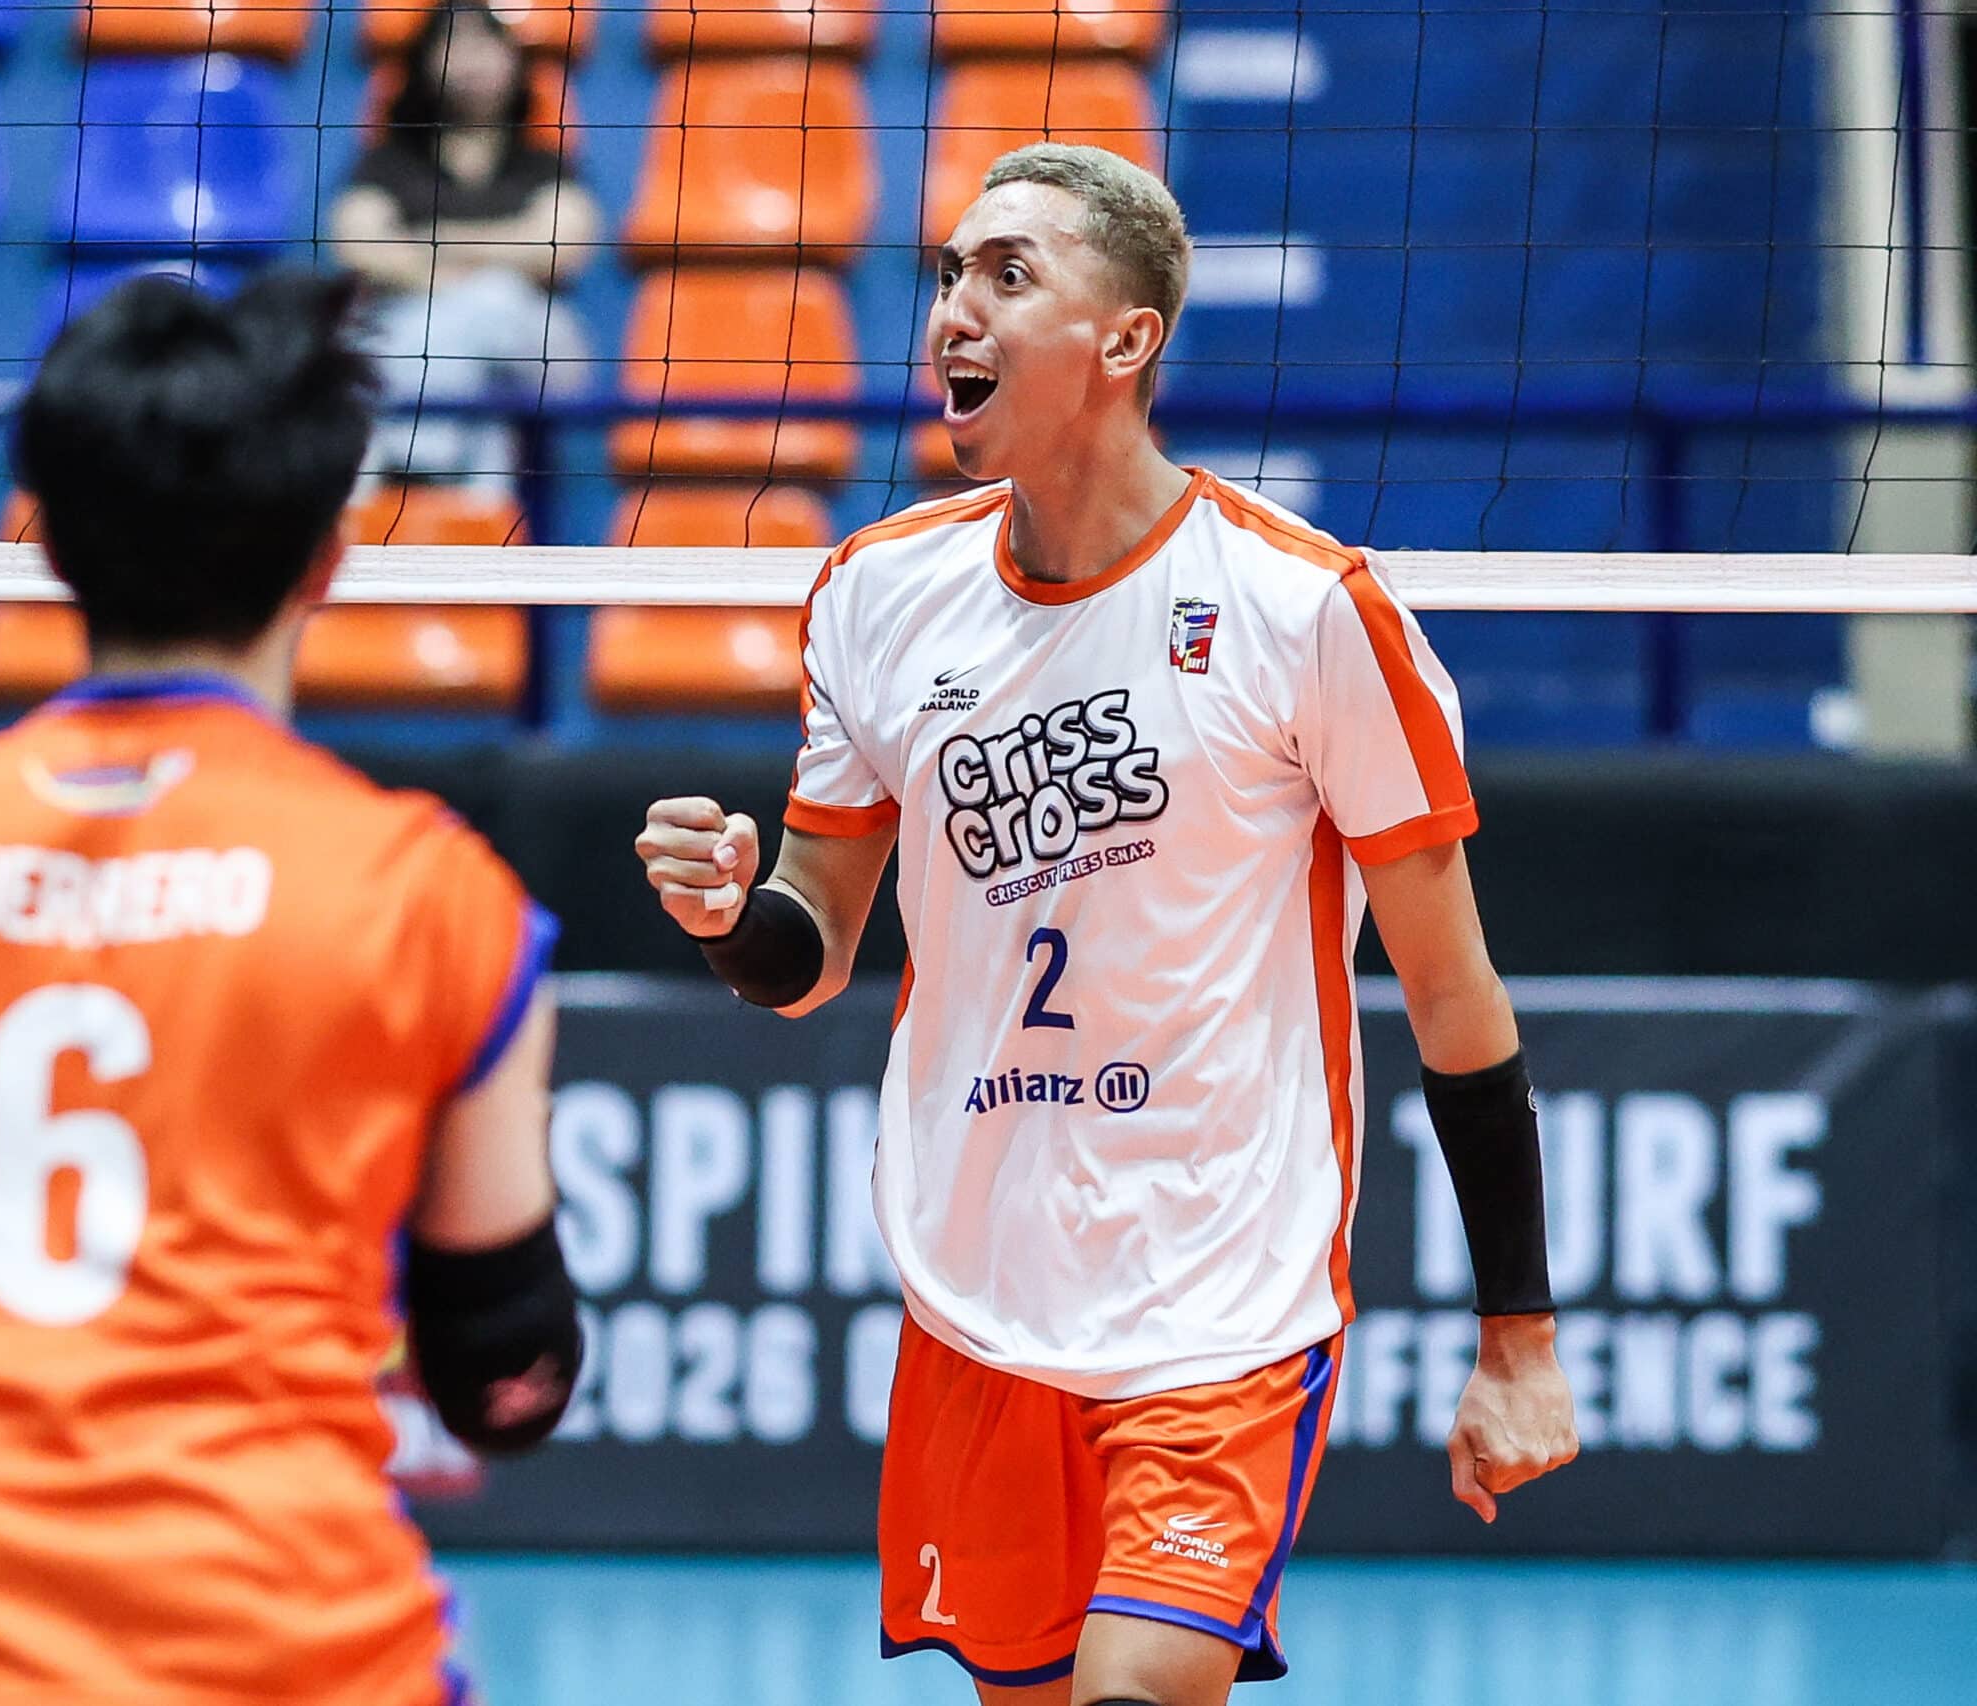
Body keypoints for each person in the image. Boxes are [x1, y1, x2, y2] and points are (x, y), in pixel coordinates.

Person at [635, 144, 1580, 1706]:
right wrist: (735, 913)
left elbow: (1457, 996)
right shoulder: (876, 595)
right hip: (981, 1293)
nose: (955, 307)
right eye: (950, 272)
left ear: (1127, 338)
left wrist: (1519, 1341)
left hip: (1220, 1296)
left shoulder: (1305, 609)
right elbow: (808, 950)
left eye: (1009, 275)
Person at [0, 267, 578, 1706]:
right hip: (274, 1642)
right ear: (328, 560)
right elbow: (505, 1374)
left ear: (49, 545)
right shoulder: (426, 893)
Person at [329, 0, 596, 499]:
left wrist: (431, 248)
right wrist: (501, 249)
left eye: (486, 44)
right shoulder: (389, 163)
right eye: (455, 44)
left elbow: (563, 248)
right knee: (460, 351)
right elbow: (357, 245)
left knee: (489, 298)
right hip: (423, 340)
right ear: (427, 61)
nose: (472, 61)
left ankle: (420, 465)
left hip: (534, 348)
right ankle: (462, 506)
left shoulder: (544, 165)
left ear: (513, 59)